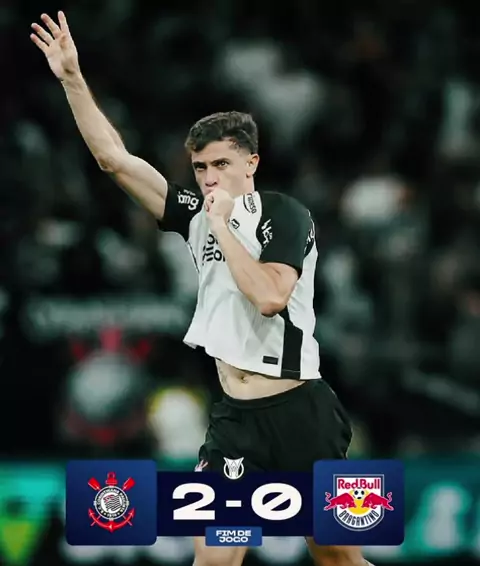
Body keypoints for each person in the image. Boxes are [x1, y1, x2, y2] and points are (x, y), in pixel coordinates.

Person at [30, 12, 374, 566]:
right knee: (214, 559)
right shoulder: (195, 216)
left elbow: (270, 297)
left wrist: (221, 229)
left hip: (300, 413)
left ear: (251, 163)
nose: (209, 178)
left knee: (338, 559)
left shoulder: (283, 216)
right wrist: (72, 78)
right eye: (199, 168)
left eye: (221, 164)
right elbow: (114, 160)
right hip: (235, 422)